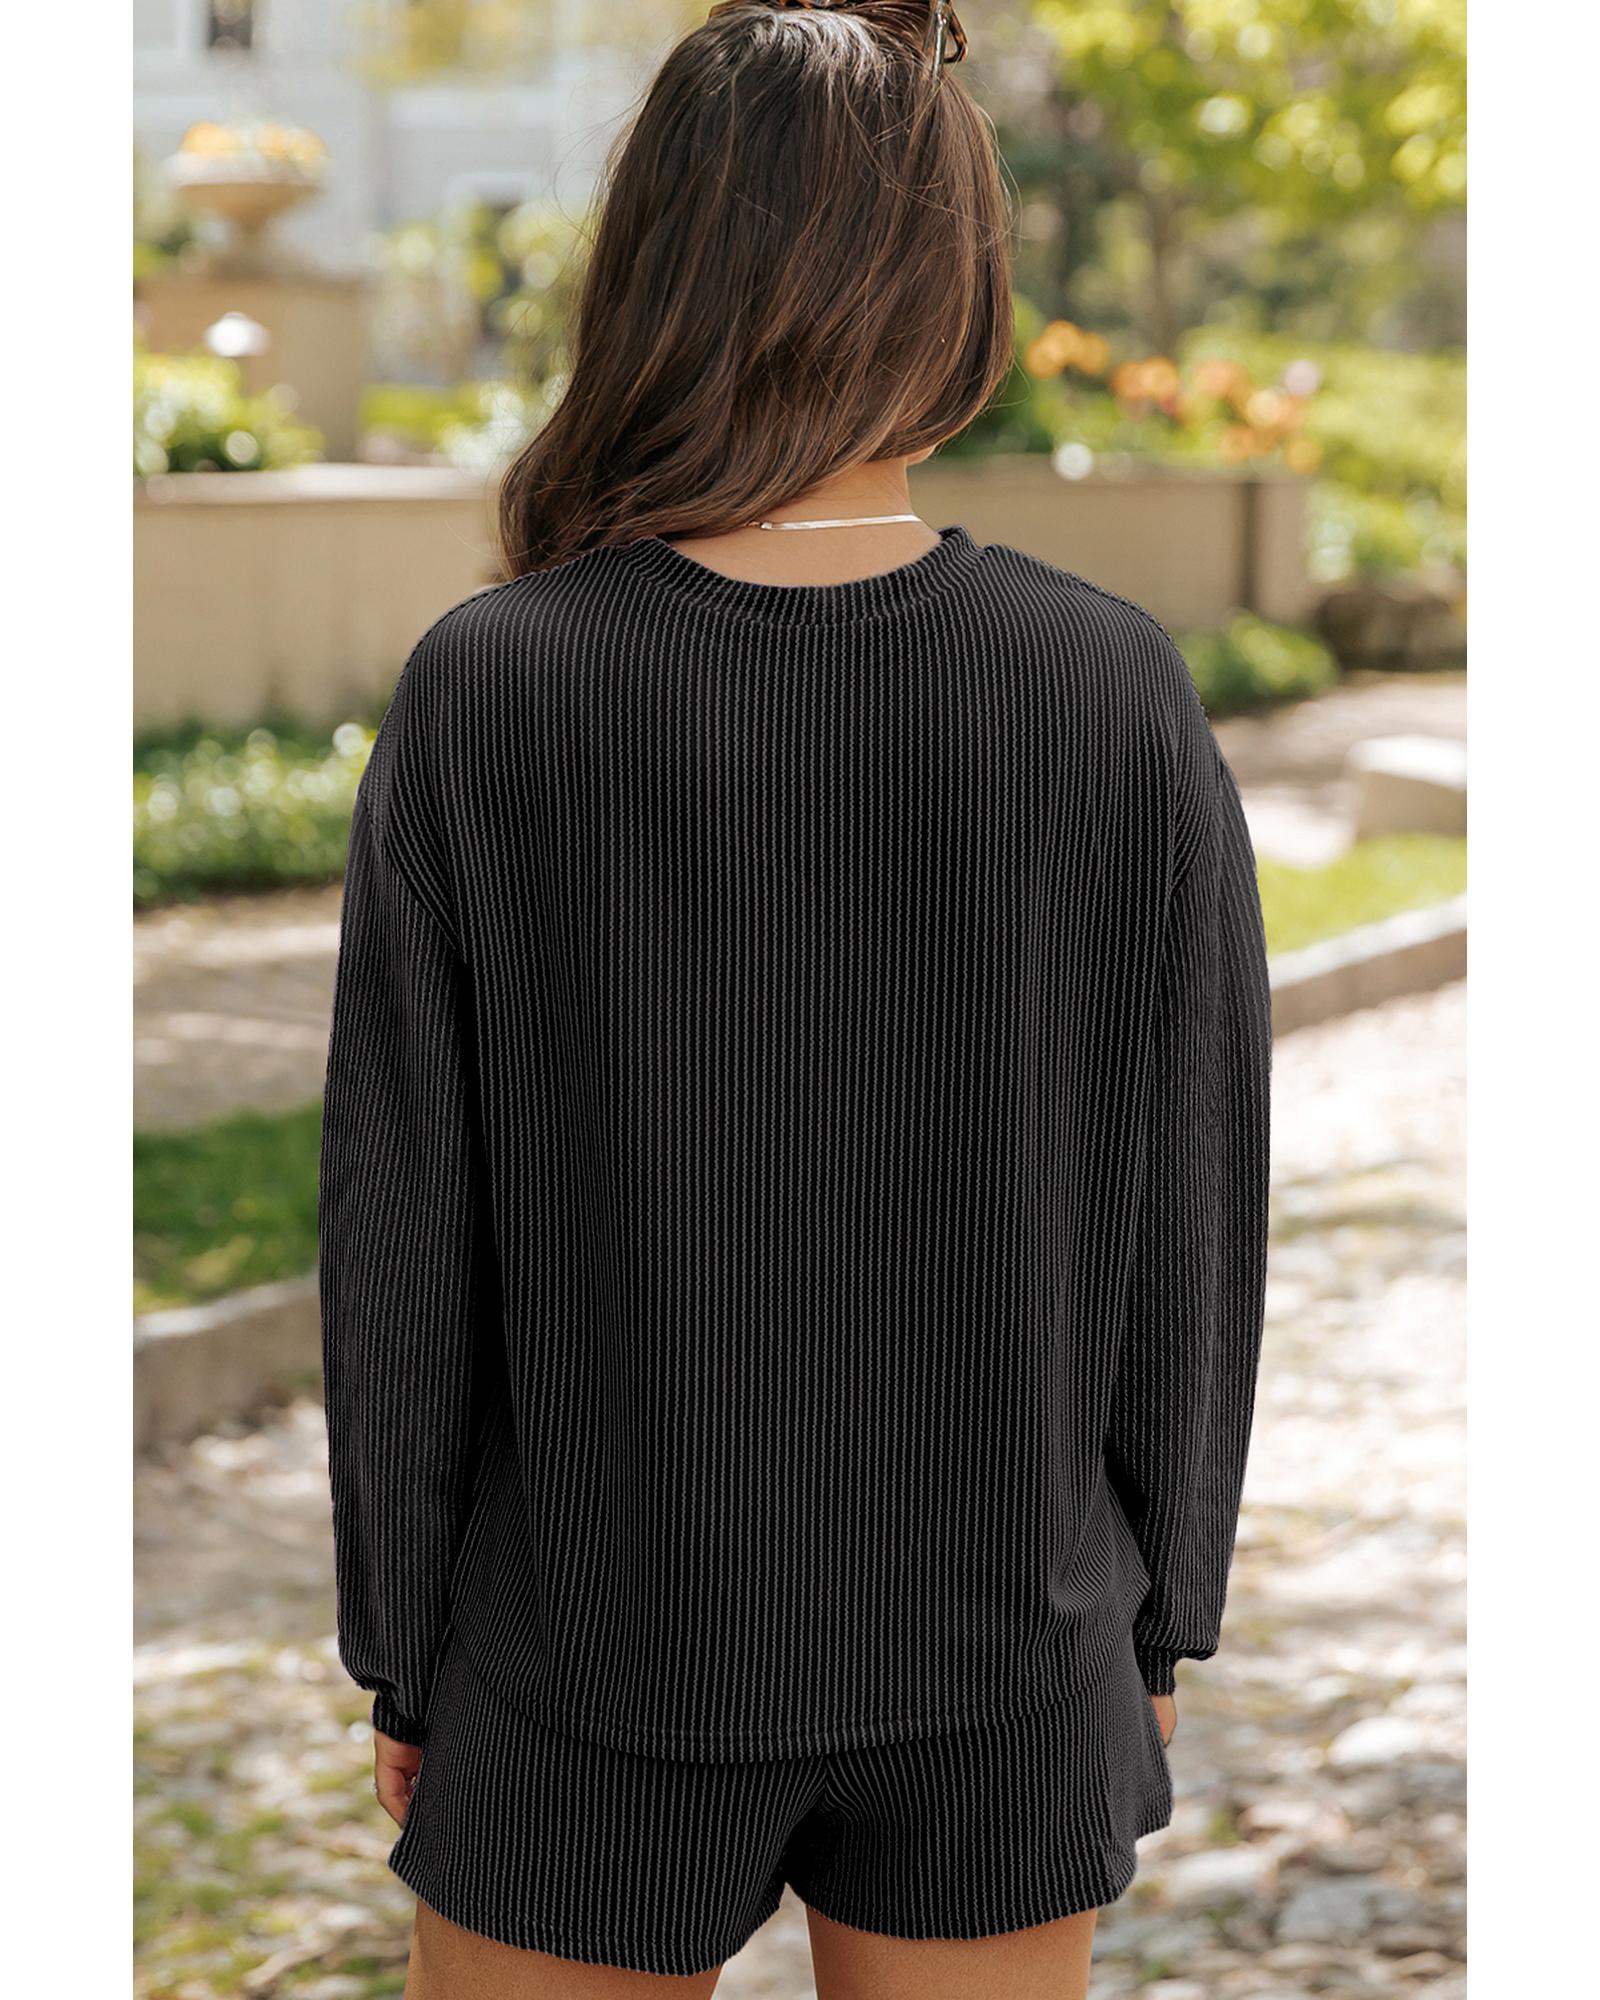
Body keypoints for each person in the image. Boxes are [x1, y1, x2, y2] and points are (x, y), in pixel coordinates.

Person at [316, 2, 1274, 1995]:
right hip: (1005, 1658)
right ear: (954, 279)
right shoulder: (1106, 688)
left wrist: (404, 1647)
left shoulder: (497, 688)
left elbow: (402, 1231)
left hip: (588, 1657)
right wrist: (1156, 1610)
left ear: (654, 272)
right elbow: (1189, 1205)